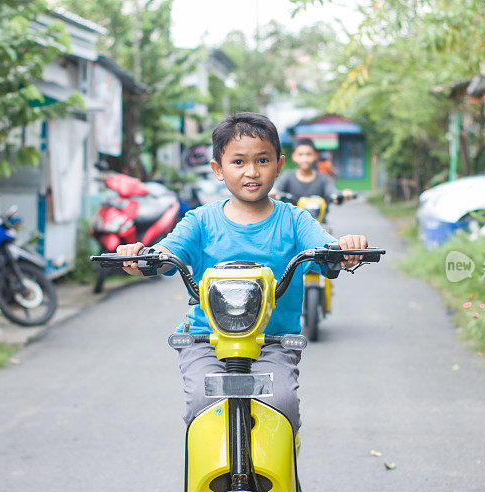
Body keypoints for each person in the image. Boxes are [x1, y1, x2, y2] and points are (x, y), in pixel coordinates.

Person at [116, 112, 369, 433]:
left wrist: (346, 250)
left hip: (273, 342)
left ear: (279, 165)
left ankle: (283, 478)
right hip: (205, 340)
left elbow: (327, 248)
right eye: (238, 162)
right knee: (201, 405)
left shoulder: (296, 220)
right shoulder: (200, 220)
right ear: (217, 169)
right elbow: (167, 253)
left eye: (262, 160)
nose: (252, 172)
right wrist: (140, 257)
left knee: (282, 405)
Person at [271, 138, 353, 206]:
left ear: (315, 155)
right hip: (292, 223)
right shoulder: (287, 176)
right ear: (294, 156)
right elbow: (275, 191)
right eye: (300, 154)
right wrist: (273, 192)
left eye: (308, 154)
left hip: (319, 223)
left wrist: (342, 195)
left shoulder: (324, 178)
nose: (305, 159)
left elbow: (333, 194)